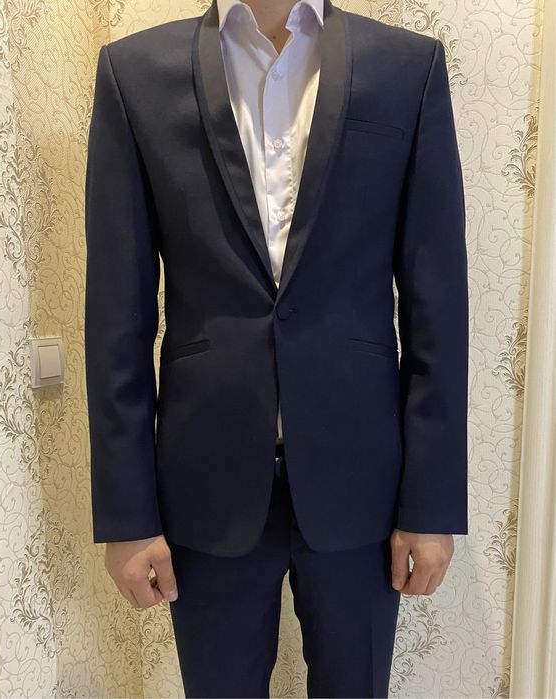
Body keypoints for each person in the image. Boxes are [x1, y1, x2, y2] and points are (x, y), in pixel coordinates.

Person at [84, 0, 469, 695]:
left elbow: (436, 307)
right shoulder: (133, 74)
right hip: (204, 485)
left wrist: (431, 506)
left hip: (362, 484)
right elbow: (117, 318)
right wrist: (127, 517)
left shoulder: (406, 68)